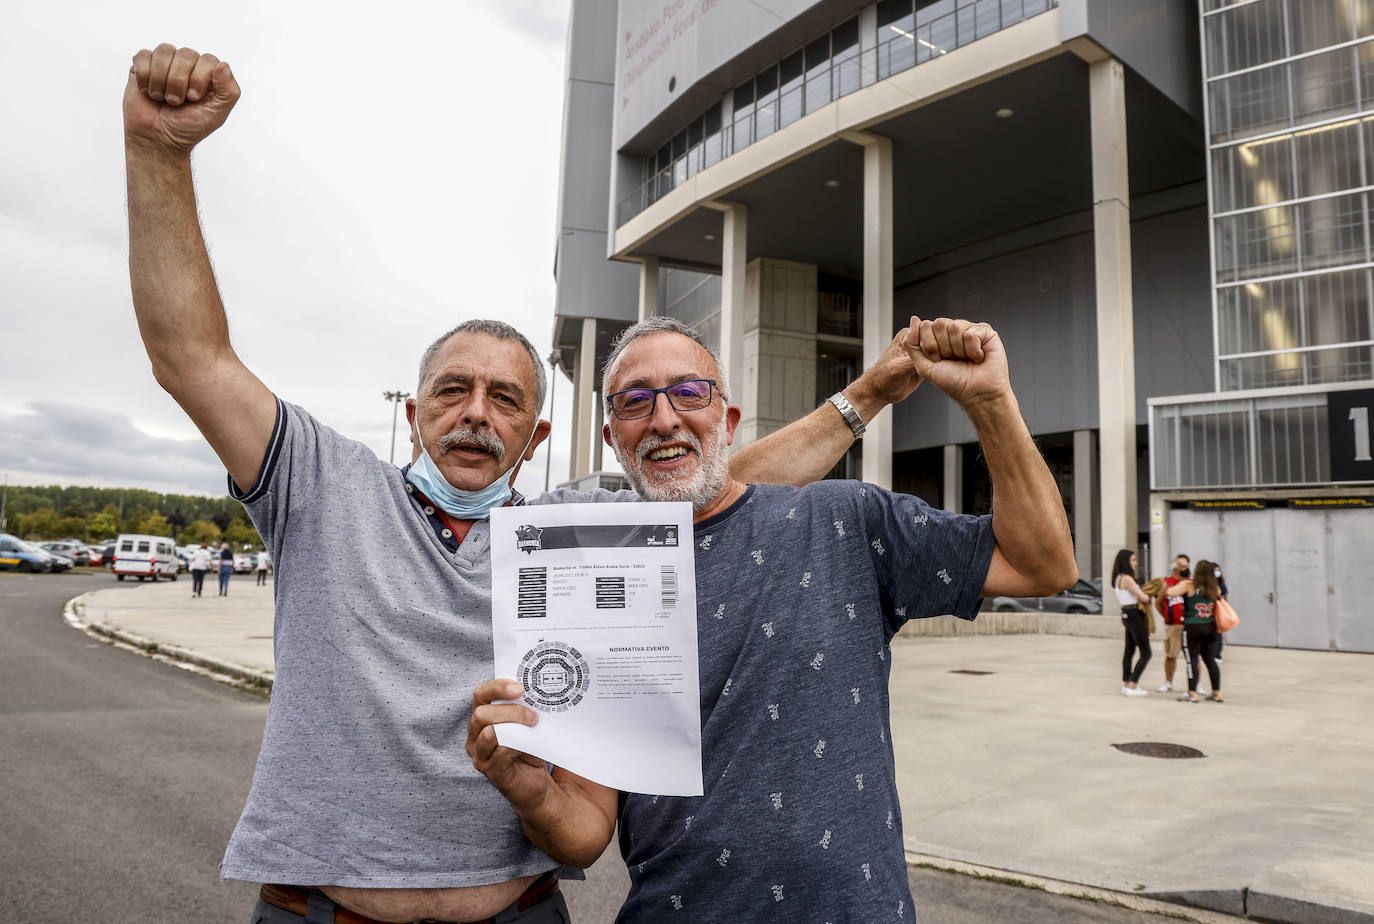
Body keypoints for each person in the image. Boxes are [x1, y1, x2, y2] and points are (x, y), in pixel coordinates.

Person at [122, 43, 924, 924]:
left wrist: (870, 392)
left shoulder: (576, 531)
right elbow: (190, 356)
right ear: (416, 412)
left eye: (504, 398)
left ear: (536, 435)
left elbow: (725, 484)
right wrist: (159, 152)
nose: (476, 413)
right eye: (452, 391)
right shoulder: (321, 488)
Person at [467, 315, 1078, 921]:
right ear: (611, 437)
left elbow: (1042, 567)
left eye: (688, 392)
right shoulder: (594, 577)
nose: (664, 419)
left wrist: (991, 401)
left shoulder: (845, 521)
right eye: (634, 402)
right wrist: (533, 793)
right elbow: (586, 831)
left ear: (727, 422)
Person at [1170, 560, 1223, 704]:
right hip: (1210, 627)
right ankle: (1216, 692)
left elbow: (1170, 592)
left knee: (1191, 660)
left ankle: (1192, 693)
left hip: (1193, 627)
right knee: (1210, 660)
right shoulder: (1215, 588)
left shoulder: (1189, 585)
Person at [1111, 549, 1153, 696]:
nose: (1136, 563)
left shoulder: (1117, 578)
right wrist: (1150, 593)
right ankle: (1133, 685)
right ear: (1126, 562)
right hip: (1134, 614)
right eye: (1133, 560)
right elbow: (1144, 597)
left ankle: (1127, 683)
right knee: (1146, 652)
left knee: (1129, 650)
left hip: (1126, 614)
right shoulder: (1127, 579)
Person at [1154, 554, 1189, 692]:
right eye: (1182, 566)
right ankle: (1168, 682)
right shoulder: (1167, 583)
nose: (1186, 569)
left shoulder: (1190, 582)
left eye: (1186, 566)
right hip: (1172, 625)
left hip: (1188, 625)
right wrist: (1167, 616)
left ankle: (1196, 684)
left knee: (1193, 656)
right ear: (1175, 568)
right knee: (1170, 655)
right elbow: (1158, 603)